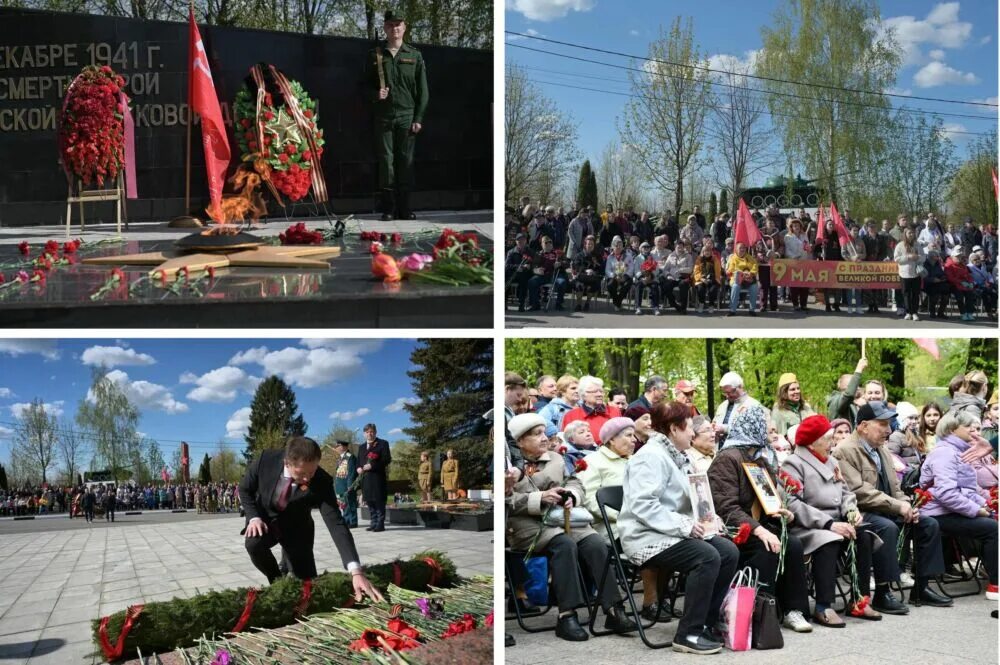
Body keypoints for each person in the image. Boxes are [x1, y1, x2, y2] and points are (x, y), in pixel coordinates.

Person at [618, 401, 738, 654]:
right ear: (673, 429)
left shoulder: (677, 456)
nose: (693, 433)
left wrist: (709, 519)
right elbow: (644, 505)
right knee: (706, 556)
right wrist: (685, 525)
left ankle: (706, 622)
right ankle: (688, 634)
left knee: (728, 551)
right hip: (645, 535)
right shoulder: (650, 457)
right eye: (688, 428)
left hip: (672, 530)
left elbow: (693, 498)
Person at [505, 413, 637, 642]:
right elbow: (506, 501)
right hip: (528, 526)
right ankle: (566, 615)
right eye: (536, 435)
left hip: (562, 518)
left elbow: (575, 481)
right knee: (564, 544)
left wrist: (572, 496)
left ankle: (614, 610)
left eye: (544, 432)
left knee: (596, 542)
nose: (544, 438)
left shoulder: (556, 458)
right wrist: (539, 498)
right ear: (520, 442)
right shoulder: (510, 468)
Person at [832, 402, 951, 611]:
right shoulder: (845, 451)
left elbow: (896, 487)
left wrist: (907, 505)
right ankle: (882, 591)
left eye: (889, 424)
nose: (888, 430)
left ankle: (921, 587)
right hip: (860, 512)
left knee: (928, 524)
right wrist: (897, 506)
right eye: (882, 424)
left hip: (886, 508)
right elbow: (859, 492)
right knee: (887, 527)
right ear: (863, 426)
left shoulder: (882, 450)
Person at [238, 436, 383, 602]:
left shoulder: (322, 481)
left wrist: (356, 571)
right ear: (287, 463)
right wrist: (254, 517)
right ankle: (277, 580)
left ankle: (289, 563)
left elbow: (336, 523)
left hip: (297, 528)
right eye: (301, 473)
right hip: (264, 521)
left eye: (312, 472)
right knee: (254, 544)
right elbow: (244, 489)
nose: (307, 478)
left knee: (307, 585)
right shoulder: (266, 460)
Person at [708, 405, 813, 633]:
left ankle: (794, 610)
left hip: (755, 525)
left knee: (792, 544)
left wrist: (782, 512)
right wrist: (759, 529)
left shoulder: (759, 459)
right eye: (766, 424)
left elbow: (768, 501)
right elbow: (726, 507)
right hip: (733, 530)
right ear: (753, 426)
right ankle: (762, 612)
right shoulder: (726, 460)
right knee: (766, 546)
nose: (770, 429)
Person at [781, 415, 883, 626]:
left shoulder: (831, 460)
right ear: (812, 442)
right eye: (828, 438)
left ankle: (859, 600)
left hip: (837, 522)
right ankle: (823, 606)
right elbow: (792, 503)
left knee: (863, 535)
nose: (832, 442)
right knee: (829, 540)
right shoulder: (793, 463)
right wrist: (828, 523)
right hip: (809, 527)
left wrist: (851, 511)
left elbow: (846, 493)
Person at [920, 411, 998, 600]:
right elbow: (946, 494)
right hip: (937, 513)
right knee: (992, 529)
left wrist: (988, 506)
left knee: (993, 518)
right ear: (953, 429)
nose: (973, 429)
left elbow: (969, 490)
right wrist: (976, 511)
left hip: (952, 509)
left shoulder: (961, 450)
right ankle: (996, 584)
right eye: (968, 426)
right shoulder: (945, 453)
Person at [368, 10, 428, 221]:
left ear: (404, 28)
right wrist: (375, 94)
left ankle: (405, 208)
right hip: (383, 117)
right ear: (385, 28)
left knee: (406, 162)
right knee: (386, 162)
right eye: (391, 25)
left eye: (398, 25)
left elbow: (423, 91)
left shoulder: (414, 55)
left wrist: (418, 118)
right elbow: (362, 86)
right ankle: (388, 208)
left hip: (406, 116)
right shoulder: (375, 55)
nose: (395, 28)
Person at [562, 375, 622, 444]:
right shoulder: (571, 416)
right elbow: (567, 443)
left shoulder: (614, 411)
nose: (599, 394)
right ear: (583, 395)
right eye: (595, 391)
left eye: (601, 391)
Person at [358, 423, 392, 532]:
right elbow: (359, 461)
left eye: (371, 431)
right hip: (366, 479)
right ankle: (373, 522)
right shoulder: (362, 447)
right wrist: (358, 468)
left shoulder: (382, 444)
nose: (369, 434)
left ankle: (380, 524)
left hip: (377, 478)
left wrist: (372, 465)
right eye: (367, 432)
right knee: (370, 501)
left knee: (378, 501)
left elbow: (386, 459)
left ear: (375, 432)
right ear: (364, 434)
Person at [711, 371, 762, 443]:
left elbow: (755, 431)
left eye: (730, 392)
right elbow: (714, 424)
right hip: (720, 451)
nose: (727, 396)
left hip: (743, 451)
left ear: (740, 387)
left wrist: (725, 429)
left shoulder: (753, 405)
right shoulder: (722, 406)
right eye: (724, 392)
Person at [894, 227, 925, 320]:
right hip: (904, 273)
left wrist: (917, 257)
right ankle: (908, 312)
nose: (911, 234)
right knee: (906, 293)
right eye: (909, 233)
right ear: (905, 234)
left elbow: (923, 257)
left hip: (916, 273)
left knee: (915, 293)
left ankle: (915, 312)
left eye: (912, 233)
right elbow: (896, 259)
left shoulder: (917, 245)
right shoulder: (900, 245)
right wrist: (908, 257)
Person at [887, 402, 924, 472]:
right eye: (910, 418)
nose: (914, 421)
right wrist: (907, 469)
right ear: (902, 419)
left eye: (916, 418)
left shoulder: (915, 434)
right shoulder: (896, 436)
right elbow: (893, 459)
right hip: (906, 476)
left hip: (916, 473)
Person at [725, 241, 759, 316]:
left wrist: (751, 273)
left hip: (749, 279)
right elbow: (730, 269)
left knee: (754, 287)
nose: (742, 250)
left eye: (743, 248)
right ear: (736, 249)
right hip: (737, 279)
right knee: (735, 287)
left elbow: (755, 267)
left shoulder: (750, 258)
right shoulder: (733, 258)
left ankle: (752, 309)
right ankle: (732, 310)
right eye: (740, 248)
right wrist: (736, 272)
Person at [944, 247, 976, 321]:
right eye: (957, 256)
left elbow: (968, 275)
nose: (959, 258)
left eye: (960, 256)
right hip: (953, 285)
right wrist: (961, 282)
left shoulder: (962, 265)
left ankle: (969, 313)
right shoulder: (948, 265)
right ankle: (963, 313)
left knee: (970, 294)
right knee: (960, 297)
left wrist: (971, 282)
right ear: (952, 257)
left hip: (964, 285)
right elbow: (950, 278)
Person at [333, 441, 359, 526]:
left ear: (344, 447)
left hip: (347, 485)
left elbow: (351, 472)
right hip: (340, 485)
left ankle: (352, 521)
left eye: (338, 445)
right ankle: (346, 519)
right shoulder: (340, 458)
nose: (336, 447)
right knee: (343, 503)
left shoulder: (350, 457)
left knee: (349, 503)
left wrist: (350, 485)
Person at [693, 243, 722, 313]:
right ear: (702, 252)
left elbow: (718, 270)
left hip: (713, 278)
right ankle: (701, 304)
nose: (707, 252)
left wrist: (712, 279)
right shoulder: (699, 259)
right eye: (705, 251)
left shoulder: (715, 259)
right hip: (701, 279)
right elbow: (696, 271)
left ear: (711, 252)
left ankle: (711, 305)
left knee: (713, 289)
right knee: (700, 289)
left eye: (708, 251)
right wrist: (701, 278)